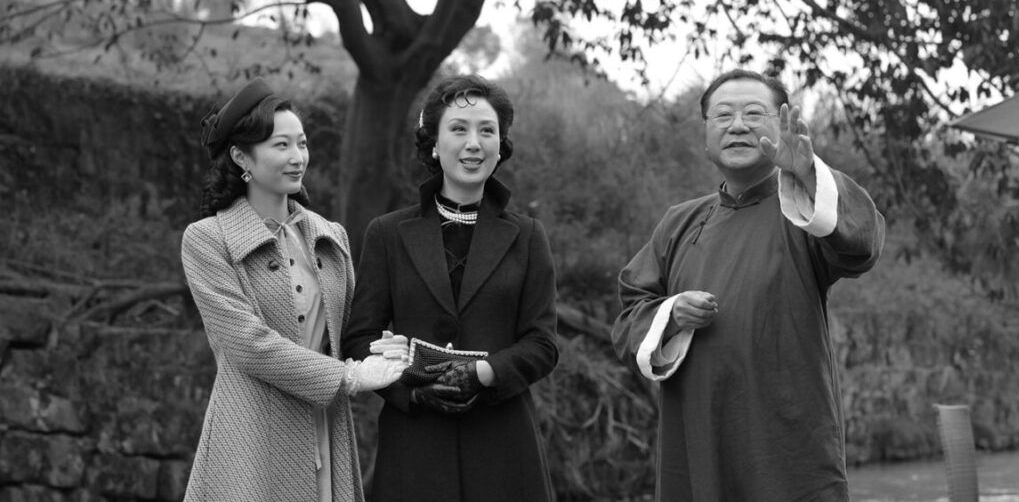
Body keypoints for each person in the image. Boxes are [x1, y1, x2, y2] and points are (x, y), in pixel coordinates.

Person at [612, 69, 886, 502]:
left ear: (780, 125)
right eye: (723, 115)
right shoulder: (679, 223)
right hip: (697, 433)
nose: (737, 126)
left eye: (754, 114)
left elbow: (863, 245)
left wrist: (808, 174)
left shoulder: (803, 209)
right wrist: (671, 314)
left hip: (787, 439)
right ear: (706, 134)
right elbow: (630, 315)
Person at [180, 78, 409, 502]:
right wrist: (349, 376)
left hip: (326, 428)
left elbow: (350, 333)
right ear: (241, 156)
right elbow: (247, 344)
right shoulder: (207, 239)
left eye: (301, 144)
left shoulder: (330, 236)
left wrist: (386, 349)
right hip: (251, 436)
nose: (297, 157)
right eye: (281, 145)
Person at [342, 74, 559, 502]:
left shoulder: (529, 236)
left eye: (486, 131)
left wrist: (483, 373)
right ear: (434, 144)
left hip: (504, 447)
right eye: (459, 129)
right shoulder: (386, 233)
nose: (473, 143)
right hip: (414, 446)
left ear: (500, 145)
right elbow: (359, 338)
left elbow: (542, 344)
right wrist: (409, 386)